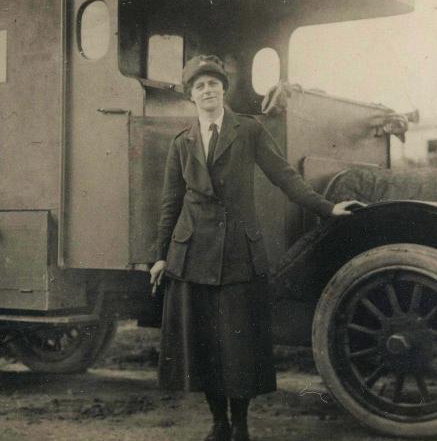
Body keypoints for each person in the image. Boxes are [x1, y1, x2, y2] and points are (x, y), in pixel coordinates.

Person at [150, 55, 359, 441]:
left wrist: (327, 207)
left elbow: (284, 175)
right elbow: (170, 202)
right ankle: (218, 423)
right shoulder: (182, 142)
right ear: (190, 96)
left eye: (213, 84)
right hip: (192, 254)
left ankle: (241, 424)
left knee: (237, 345)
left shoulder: (247, 130)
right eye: (200, 86)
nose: (208, 91)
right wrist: (161, 255)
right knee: (205, 346)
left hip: (237, 254)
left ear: (223, 91)